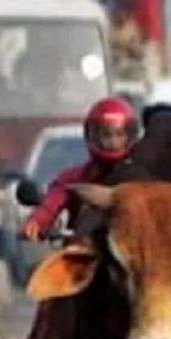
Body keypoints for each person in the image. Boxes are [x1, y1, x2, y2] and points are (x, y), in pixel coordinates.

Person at [22, 97, 140, 241]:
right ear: (93, 135)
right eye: (106, 135)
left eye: (119, 135)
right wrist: (37, 221)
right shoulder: (75, 178)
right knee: (50, 264)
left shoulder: (143, 178)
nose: (113, 142)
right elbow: (51, 203)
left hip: (135, 254)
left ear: (129, 137)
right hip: (84, 252)